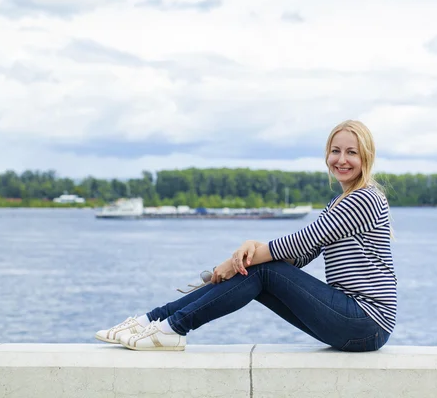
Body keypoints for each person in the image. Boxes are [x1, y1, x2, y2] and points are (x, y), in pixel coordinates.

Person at [95, 120, 397, 352]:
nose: (341, 159)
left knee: (263, 269)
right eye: (335, 150)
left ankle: (171, 328)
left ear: (365, 157)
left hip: (366, 322)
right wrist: (251, 249)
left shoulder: (365, 198)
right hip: (353, 322)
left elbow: (300, 242)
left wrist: (236, 260)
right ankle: (155, 321)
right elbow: (302, 256)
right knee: (259, 270)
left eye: (351, 152)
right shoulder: (340, 202)